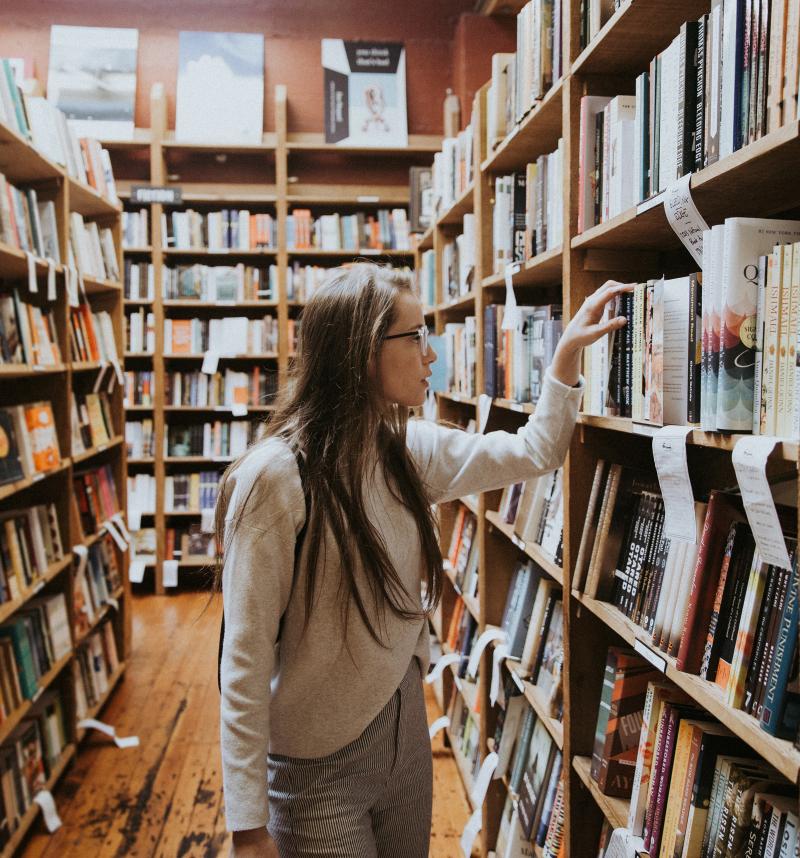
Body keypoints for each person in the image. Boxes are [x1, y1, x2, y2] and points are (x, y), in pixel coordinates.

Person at [216, 263, 630, 858]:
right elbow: (245, 657)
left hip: (403, 731)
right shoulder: (276, 480)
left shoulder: (409, 450)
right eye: (414, 336)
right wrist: (248, 826)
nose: (431, 353)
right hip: (314, 766)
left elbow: (535, 451)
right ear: (363, 354)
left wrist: (563, 363)